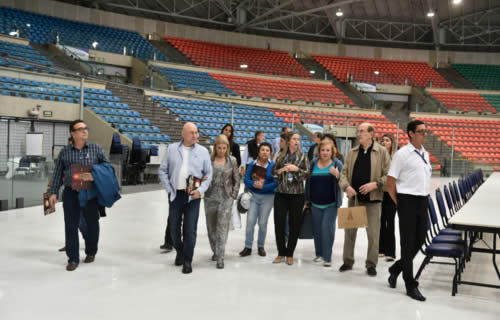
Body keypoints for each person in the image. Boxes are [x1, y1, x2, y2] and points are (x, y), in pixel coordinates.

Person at [48, 120, 109, 271]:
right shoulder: (65, 152)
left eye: (85, 128)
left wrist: (94, 175)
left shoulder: (96, 148)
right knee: (70, 225)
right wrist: (53, 192)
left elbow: (107, 167)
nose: (84, 131)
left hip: (90, 192)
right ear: (73, 133)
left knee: (92, 223)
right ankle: (73, 258)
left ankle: (91, 251)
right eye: (80, 129)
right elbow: (57, 174)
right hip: (71, 192)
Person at [158, 122, 212, 274]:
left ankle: (187, 260)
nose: (195, 135)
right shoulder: (172, 149)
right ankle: (180, 251)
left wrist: (200, 190)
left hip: (193, 196)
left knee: (190, 230)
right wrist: (169, 190)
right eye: (191, 133)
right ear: (183, 134)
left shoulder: (203, 151)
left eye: (196, 132)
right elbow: (163, 170)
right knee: (174, 229)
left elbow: (208, 175)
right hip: (176, 194)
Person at [387, 120, 432, 302]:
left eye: (425, 131)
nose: (424, 134)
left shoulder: (425, 154)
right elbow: (391, 182)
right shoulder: (402, 154)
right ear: (411, 133)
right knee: (407, 242)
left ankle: (396, 268)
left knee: (421, 239)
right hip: (406, 200)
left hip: (422, 200)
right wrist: (400, 202)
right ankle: (409, 283)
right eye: (421, 131)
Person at [338, 122, 390, 276]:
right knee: (350, 233)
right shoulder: (352, 152)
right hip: (354, 200)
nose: (358, 134)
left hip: (373, 201)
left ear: (371, 134)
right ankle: (347, 261)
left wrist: (376, 184)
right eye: (358, 131)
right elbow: (343, 173)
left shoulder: (381, 152)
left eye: (362, 131)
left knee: (373, 235)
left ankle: (371, 264)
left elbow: (390, 175)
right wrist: (346, 186)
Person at [272, 132, 309, 266]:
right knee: (279, 224)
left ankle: (290, 254)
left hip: (297, 195)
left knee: (295, 225)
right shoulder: (280, 155)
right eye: (294, 139)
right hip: (281, 194)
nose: (297, 141)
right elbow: (273, 174)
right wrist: (281, 171)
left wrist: (296, 169)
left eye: (299, 139)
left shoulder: (303, 156)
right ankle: (281, 252)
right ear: (288, 141)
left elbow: (306, 174)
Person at [305, 139, 343, 267]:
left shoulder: (337, 164)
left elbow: (344, 181)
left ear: (332, 152)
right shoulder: (313, 163)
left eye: (328, 150)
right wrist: (307, 199)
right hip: (315, 203)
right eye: (323, 150)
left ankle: (327, 257)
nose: (325, 153)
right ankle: (319, 254)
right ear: (319, 151)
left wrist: (337, 175)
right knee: (317, 230)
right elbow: (308, 183)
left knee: (326, 229)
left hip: (331, 204)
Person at [204, 135, 240, 269]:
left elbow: (237, 178)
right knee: (211, 227)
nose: (221, 150)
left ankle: (221, 256)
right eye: (219, 148)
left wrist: (234, 195)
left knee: (222, 228)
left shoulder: (232, 160)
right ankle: (215, 250)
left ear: (227, 148)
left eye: (224, 148)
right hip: (210, 197)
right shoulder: (208, 160)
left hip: (226, 198)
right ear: (215, 147)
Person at [240, 142, 278, 257]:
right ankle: (248, 246)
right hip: (254, 196)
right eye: (263, 150)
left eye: (267, 150)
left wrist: (264, 187)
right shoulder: (252, 164)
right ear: (259, 151)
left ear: (270, 152)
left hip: (268, 197)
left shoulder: (274, 165)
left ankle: (261, 246)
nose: (265, 152)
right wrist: (253, 184)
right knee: (250, 221)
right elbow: (246, 179)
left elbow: (276, 182)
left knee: (262, 223)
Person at [378, 134, 397, 262]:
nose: (384, 142)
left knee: (390, 222)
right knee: (380, 222)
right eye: (383, 140)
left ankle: (391, 252)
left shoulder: (396, 157)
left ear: (392, 143)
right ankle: (381, 249)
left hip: (391, 193)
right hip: (380, 193)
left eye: (387, 140)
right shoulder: (378, 157)